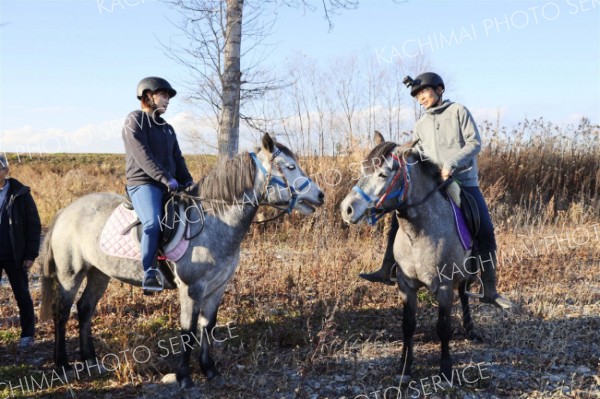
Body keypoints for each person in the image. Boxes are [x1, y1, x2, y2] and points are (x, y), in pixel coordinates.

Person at [359, 72, 514, 310]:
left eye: (424, 92)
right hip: (432, 183)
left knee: (484, 227)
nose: (421, 98)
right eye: (417, 95)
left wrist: (451, 164)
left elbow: (474, 143)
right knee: (398, 218)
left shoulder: (458, 112)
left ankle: (489, 288)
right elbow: (419, 154)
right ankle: (387, 268)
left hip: (463, 181)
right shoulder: (421, 124)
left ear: (439, 90)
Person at [122, 77, 193, 293]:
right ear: (148, 96)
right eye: (163, 95)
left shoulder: (167, 128)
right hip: (143, 183)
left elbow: (177, 158)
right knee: (152, 223)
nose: (167, 101)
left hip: (168, 185)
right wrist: (164, 177)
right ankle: (150, 272)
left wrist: (187, 180)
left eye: (168, 97)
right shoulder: (135, 120)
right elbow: (143, 155)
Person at [0, 154, 42, 350]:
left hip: (14, 255)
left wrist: (30, 255)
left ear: (6, 171)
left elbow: (34, 226)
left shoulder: (21, 193)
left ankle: (27, 335)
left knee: (22, 295)